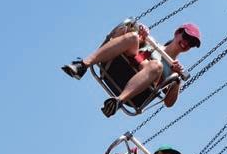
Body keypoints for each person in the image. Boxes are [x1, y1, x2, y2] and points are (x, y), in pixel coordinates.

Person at [61, 21, 201, 117]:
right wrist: (139, 33)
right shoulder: (151, 43)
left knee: (155, 66)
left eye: (192, 43)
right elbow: (119, 37)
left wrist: (177, 80)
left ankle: (117, 101)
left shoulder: (174, 70)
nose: (187, 42)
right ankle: (82, 65)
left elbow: (169, 103)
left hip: (136, 94)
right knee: (132, 36)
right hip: (117, 66)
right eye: (186, 37)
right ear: (177, 33)